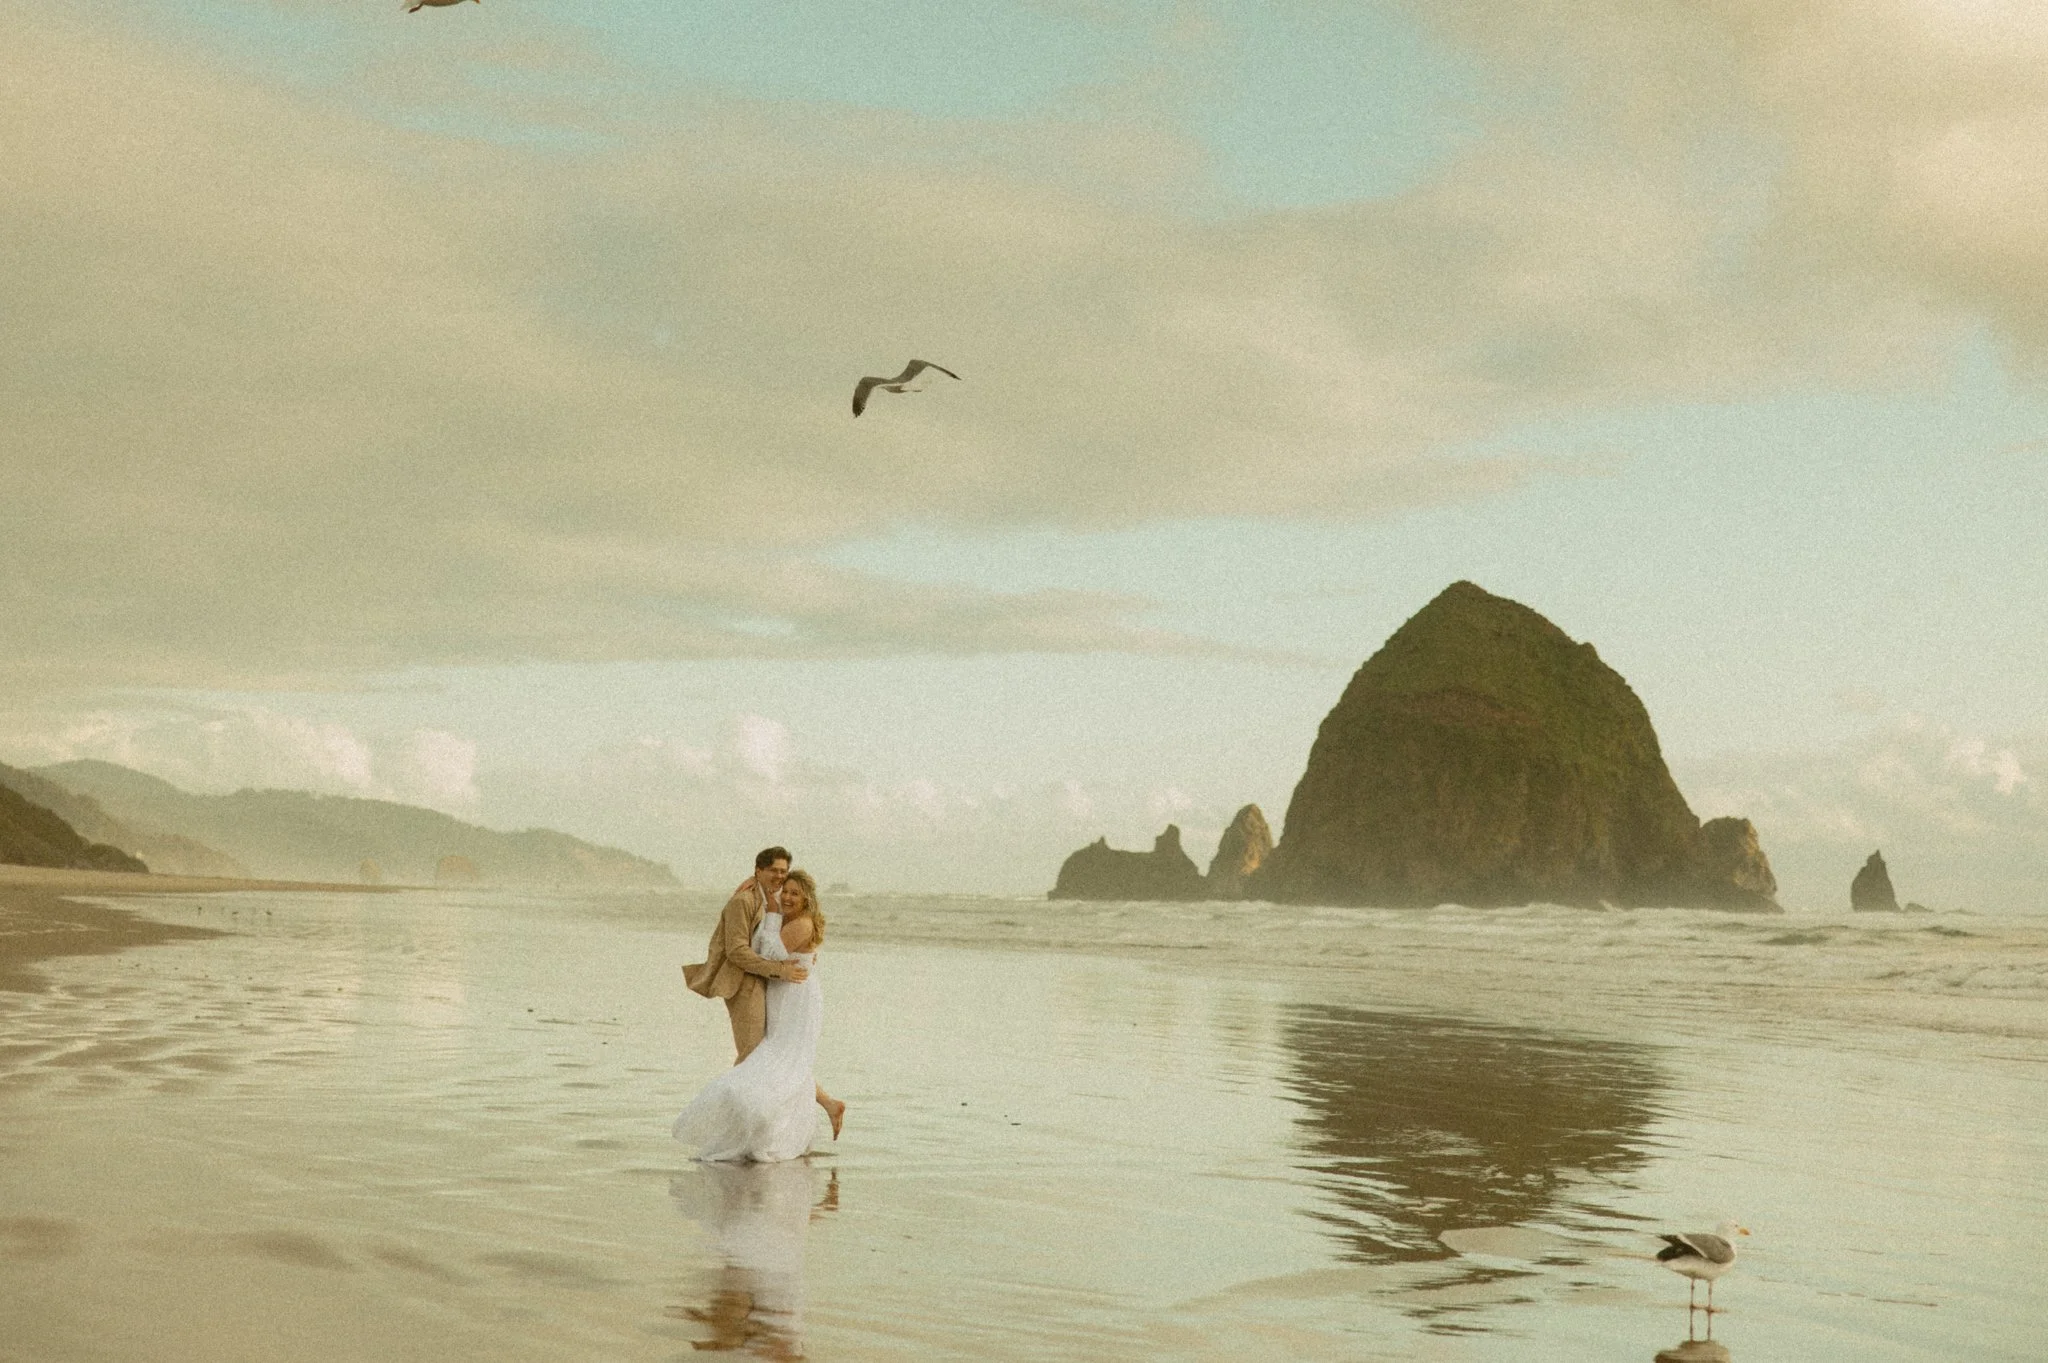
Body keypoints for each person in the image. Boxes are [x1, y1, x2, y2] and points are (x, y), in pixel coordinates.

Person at [674, 869, 845, 1160]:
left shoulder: (802, 924)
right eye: (785, 891)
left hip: (795, 997)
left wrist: (774, 910)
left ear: (807, 898)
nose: (788, 897)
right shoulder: (793, 921)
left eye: (795, 893)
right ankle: (828, 1105)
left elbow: (768, 952)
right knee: (787, 1059)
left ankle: (772, 1124)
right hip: (783, 991)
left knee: (779, 1057)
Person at [683, 847, 808, 1063]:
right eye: (773, 870)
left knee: (770, 1051)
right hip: (743, 982)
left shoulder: (773, 898)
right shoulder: (743, 901)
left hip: (766, 981)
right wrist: (780, 970)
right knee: (752, 1053)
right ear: (758, 871)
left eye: (783, 871)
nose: (779, 876)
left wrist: (805, 953)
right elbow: (737, 951)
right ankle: (731, 1097)